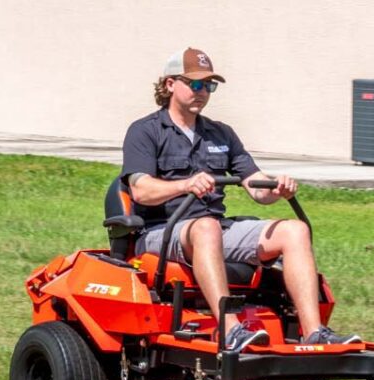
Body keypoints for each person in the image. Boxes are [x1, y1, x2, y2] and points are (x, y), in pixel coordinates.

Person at [120, 47, 360, 351]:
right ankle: (230, 330)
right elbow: (141, 190)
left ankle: (314, 332)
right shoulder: (145, 131)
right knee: (206, 227)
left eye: (209, 85)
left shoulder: (221, 134)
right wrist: (185, 185)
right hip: (161, 231)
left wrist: (277, 188)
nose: (203, 92)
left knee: (294, 230)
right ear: (170, 84)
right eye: (195, 84)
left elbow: (256, 186)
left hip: (213, 229)